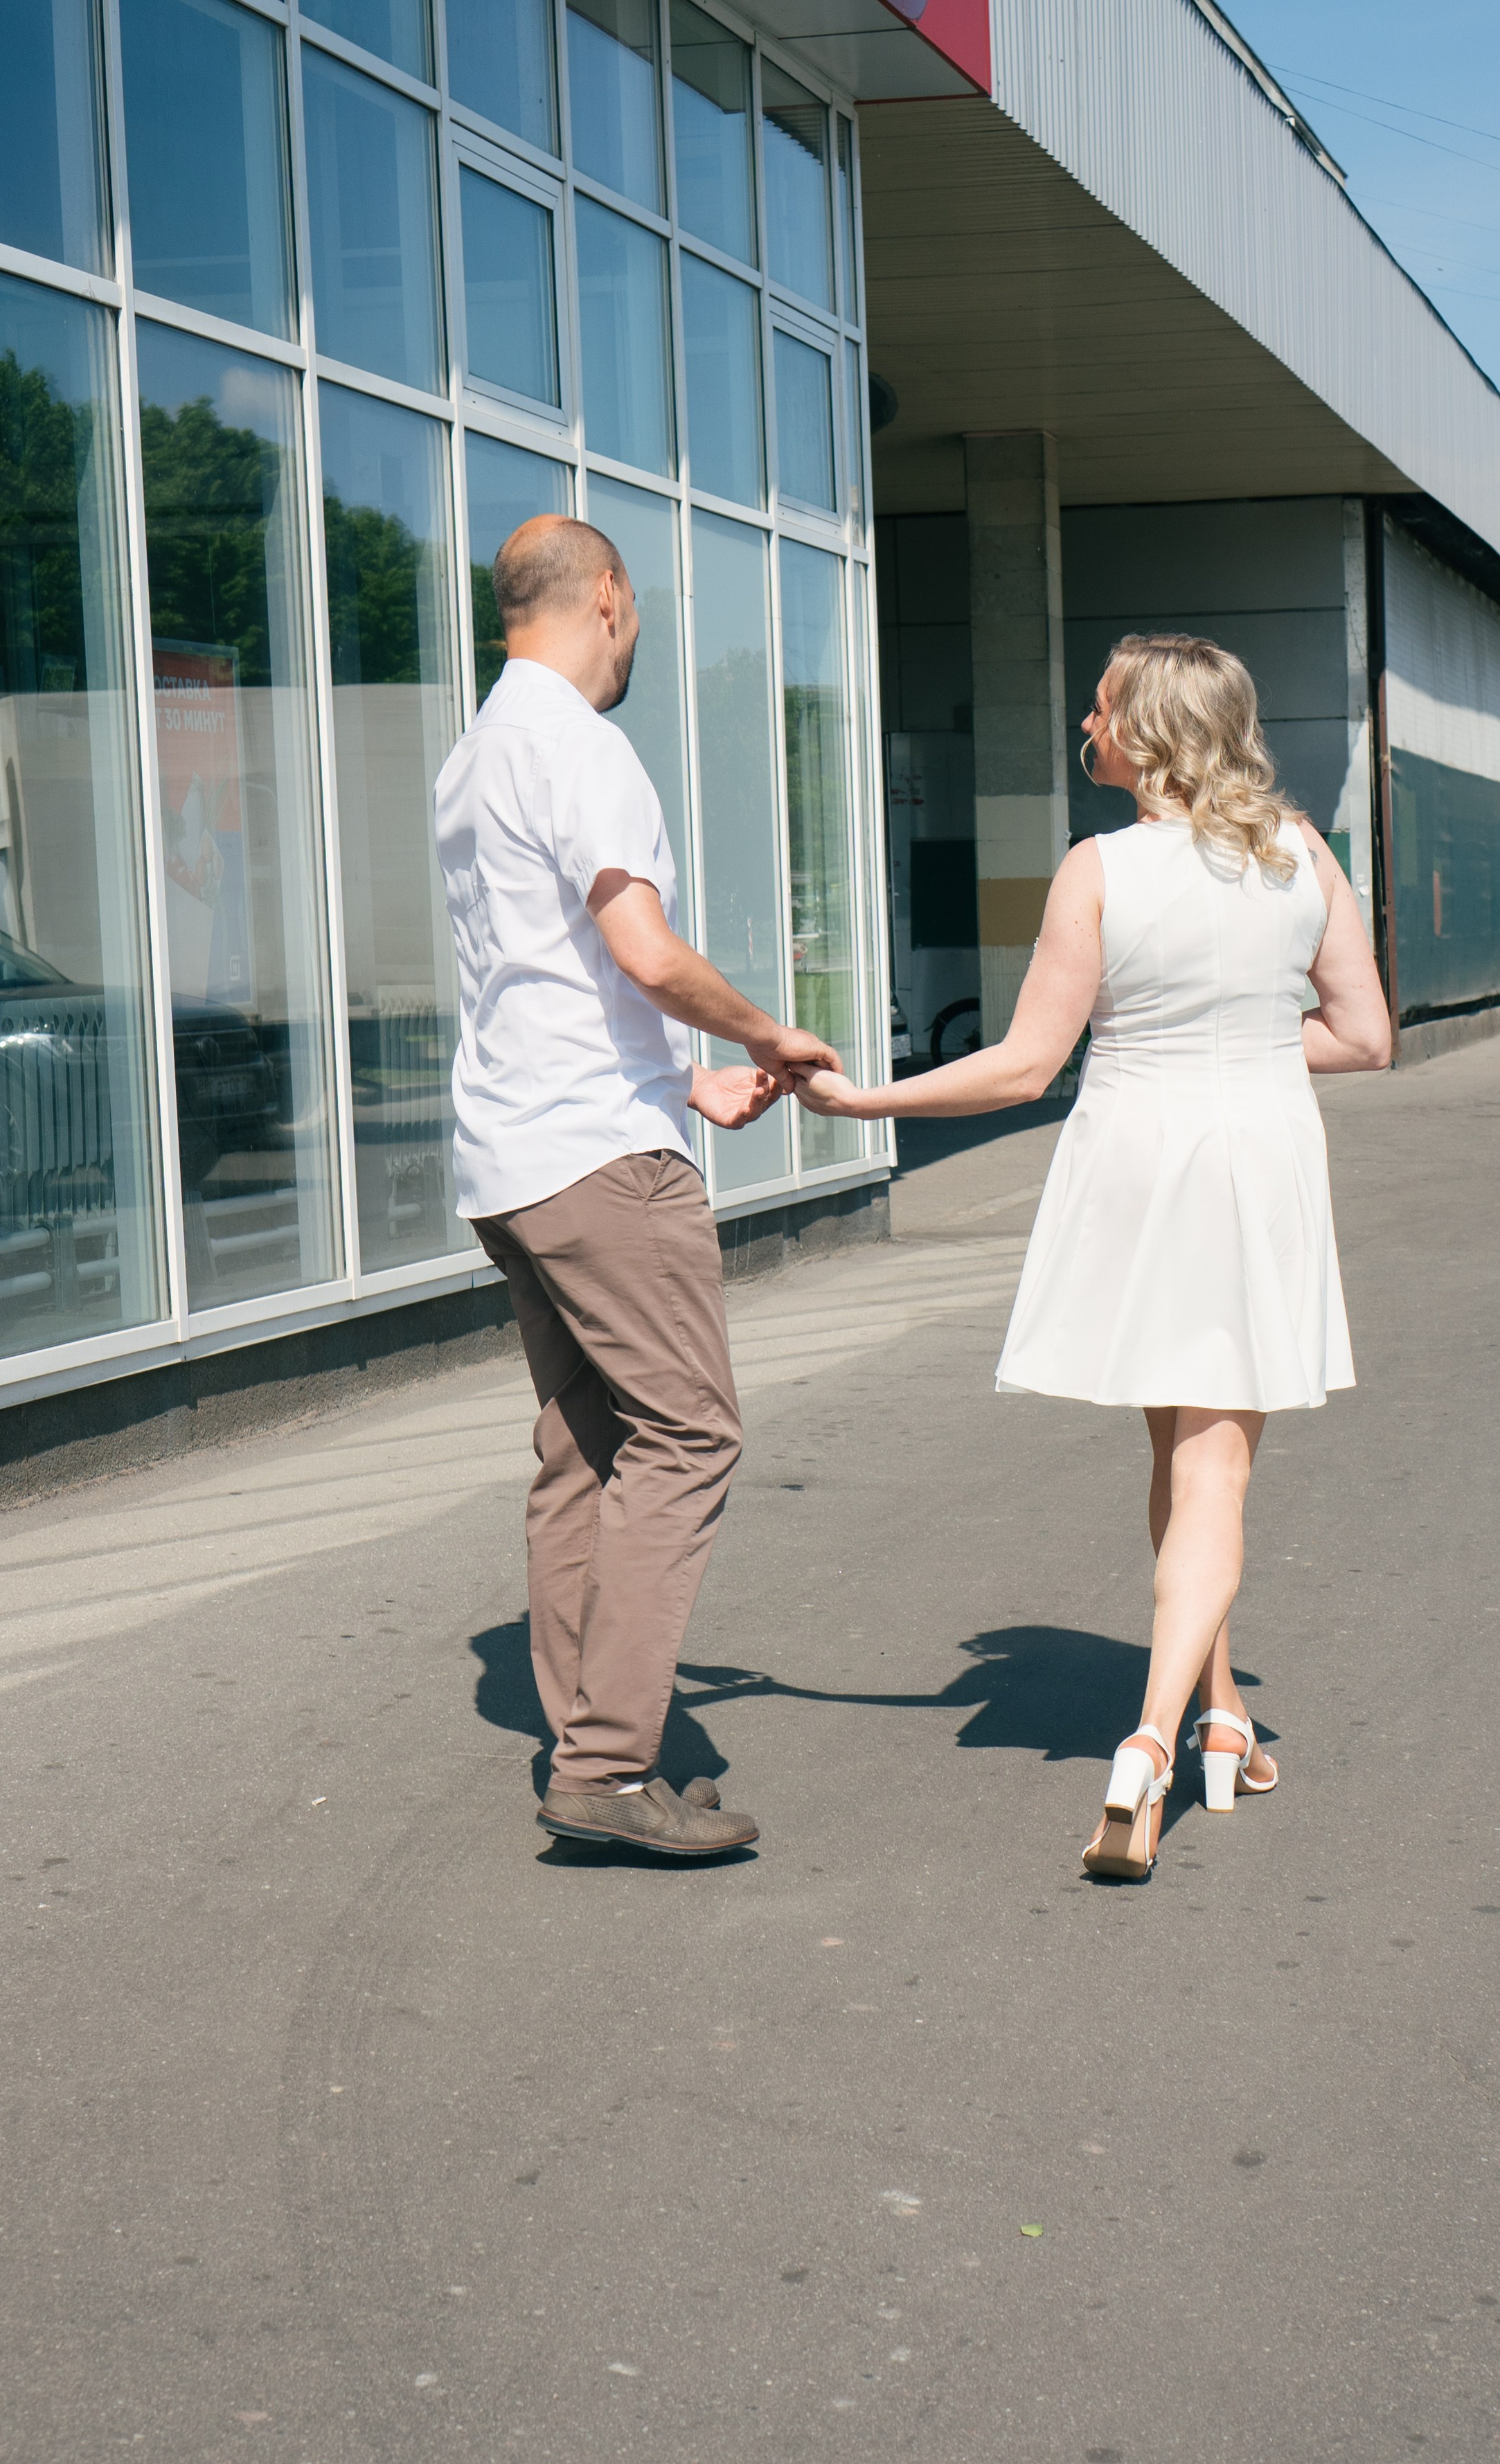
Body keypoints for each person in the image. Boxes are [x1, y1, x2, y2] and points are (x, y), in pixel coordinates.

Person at [796, 633, 1391, 1879]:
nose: (1086, 722)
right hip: (1253, 1157)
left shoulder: (1100, 868)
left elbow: (1025, 1066)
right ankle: (1181, 1732)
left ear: (1150, 731)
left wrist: (865, 1106)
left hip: (1133, 1157)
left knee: (1180, 1455)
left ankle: (1175, 1730)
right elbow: (1366, 1037)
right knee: (1212, 1466)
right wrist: (1249, 1055)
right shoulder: (1302, 855)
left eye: (1104, 707)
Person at [434, 516, 840, 1860]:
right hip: (596, 1164)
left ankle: (597, 1752)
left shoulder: (474, 756)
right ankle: (607, 1765)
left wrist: (679, 1088)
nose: (635, 645)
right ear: (606, 599)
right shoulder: (580, 747)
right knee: (689, 1438)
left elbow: (549, 980)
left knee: (581, 1453)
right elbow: (641, 951)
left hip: (514, 1157)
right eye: (638, 617)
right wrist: (760, 1035)